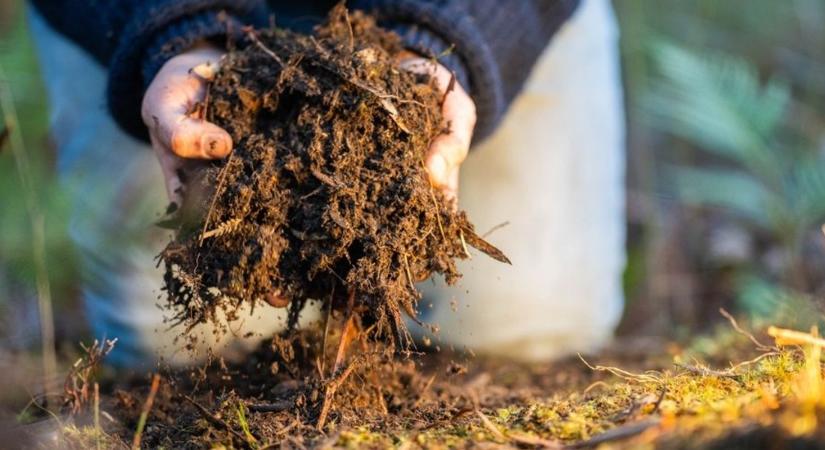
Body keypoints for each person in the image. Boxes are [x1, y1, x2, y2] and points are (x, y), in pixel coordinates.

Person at [28, 0, 625, 366]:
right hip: (148, 22)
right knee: (178, 347)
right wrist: (173, 27)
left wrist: (444, 38)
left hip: (482, 15)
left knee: (524, 327)